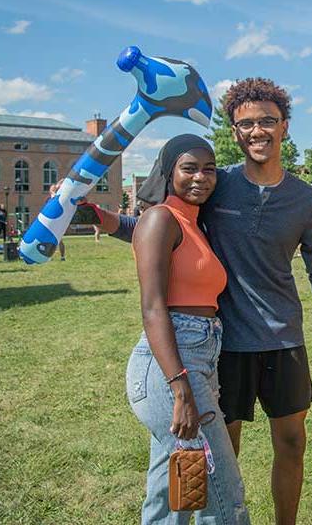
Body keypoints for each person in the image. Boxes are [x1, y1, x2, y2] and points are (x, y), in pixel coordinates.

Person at [100, 77, 312, 525]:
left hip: (284, 340)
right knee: (212, 453)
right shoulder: (216, 183)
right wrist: (108, 220)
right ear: (234, 131)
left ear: (285, 126)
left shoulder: (309, 201)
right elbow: (163, 228)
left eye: (267, 121)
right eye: (246, 123)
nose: (258, 131)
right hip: (222, 345)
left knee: (291, 445)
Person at [126, 134, 249, 524]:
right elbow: (152, 308)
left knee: (173, 489)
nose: (201, 177)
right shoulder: (160, 218)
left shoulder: (194, 225)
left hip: (200, 360)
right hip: (171, 368)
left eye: (209, 169)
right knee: (222, 494)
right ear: (168, 172)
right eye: (189, 168)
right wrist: (180, 388)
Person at [48, 184, 67, 261]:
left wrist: (57, 186)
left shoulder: (55, 196)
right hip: (59, 220)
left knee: (54, 240)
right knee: (59, 240)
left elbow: (52, 191)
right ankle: (62, 257)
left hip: (54, 220)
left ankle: (50, 257)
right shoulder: (60, 196)